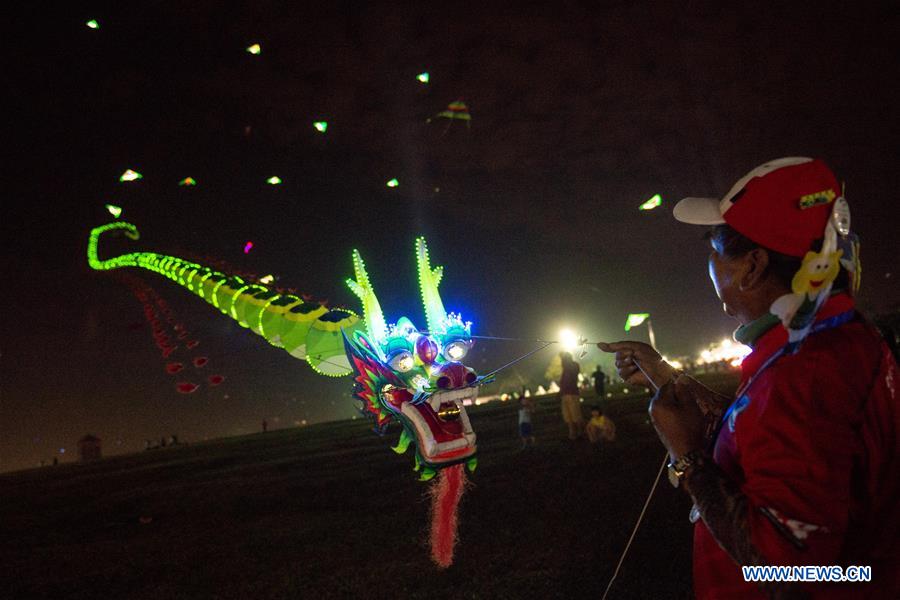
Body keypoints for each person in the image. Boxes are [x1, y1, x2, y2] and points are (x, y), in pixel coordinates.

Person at [600, 158, 898, 599]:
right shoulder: (830, 341)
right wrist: (669, 376)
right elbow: (771, 432)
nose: (712, 268)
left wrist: (689, 458)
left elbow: (791, 572)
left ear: (753, 265)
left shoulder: (804, 371)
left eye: (715, 252)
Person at [558, 351, 583, 439]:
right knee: (568, 416)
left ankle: (579, 432)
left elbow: (569, 379)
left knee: (575, 415)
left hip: (571, 393)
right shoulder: (568, 367)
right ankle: (572, 432)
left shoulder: (572, 366)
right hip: (566, 394)